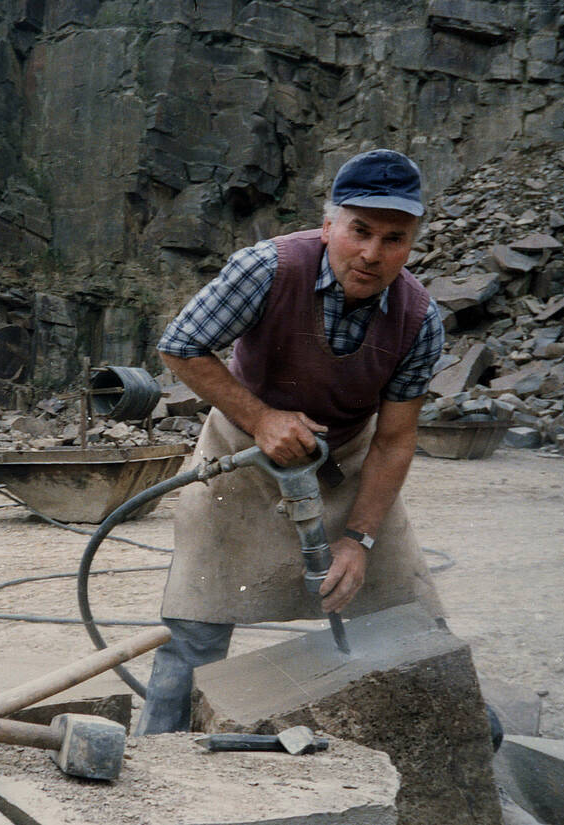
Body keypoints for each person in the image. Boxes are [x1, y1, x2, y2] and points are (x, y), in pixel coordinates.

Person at [136, 149, 447, 735]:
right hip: (241, 458)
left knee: (414, 623)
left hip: (349, 462)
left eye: (394, 238)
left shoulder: (419, 317)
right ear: (330, 225)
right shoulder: (267, 269)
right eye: (359, 231)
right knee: (195, 629)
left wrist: (359, 539)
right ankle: (155, 764)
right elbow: (180, 346)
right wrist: (260, 418)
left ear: (412, 243)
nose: (372, 254)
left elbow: (396, 440)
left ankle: (458, 747)